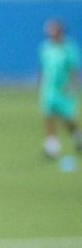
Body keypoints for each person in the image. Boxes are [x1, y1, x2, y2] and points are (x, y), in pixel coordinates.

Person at [39, 19, 82, 159]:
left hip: (64, 88)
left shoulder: (69, 48)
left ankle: (78, 136)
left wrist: (73, 85)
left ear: (60, 31)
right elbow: (43, 68)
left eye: (53, 30)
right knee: (49, 116)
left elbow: (74, 69)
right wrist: (41, 84)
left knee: (68, 118)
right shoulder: (46, 48)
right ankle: (52, 146)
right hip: (49, 89)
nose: (50, 33)